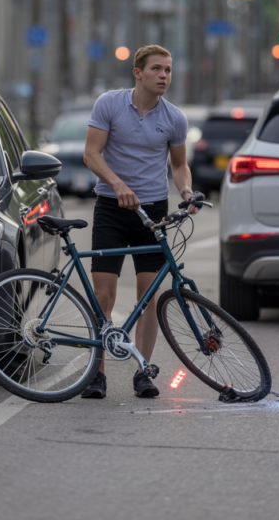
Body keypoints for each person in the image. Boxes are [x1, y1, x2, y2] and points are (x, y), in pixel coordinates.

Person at [81, 45, 198, 399]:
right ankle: (96, 374)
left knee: (149, 297)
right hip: (112, 209)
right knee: (103, 294)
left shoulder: (174, 118)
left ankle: (143, 371)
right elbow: (91, 153)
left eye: (168, 70)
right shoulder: (110, 104)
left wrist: (188, 191)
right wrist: (117, 184)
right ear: (138, 72)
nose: (164, 76)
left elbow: (178, 166)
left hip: (153, 214)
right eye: (157, 69)